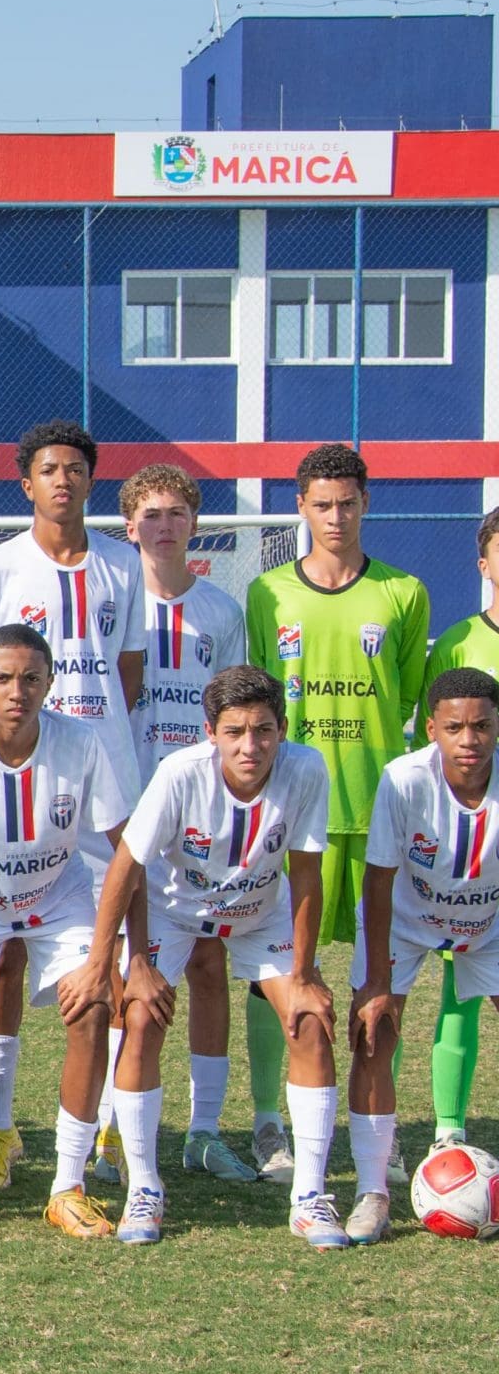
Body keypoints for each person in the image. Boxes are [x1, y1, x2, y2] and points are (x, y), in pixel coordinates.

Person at [86, 667, 334, 1245]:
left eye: (264, 731)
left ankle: (312, 1196)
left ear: (283, 729)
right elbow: (127, 864)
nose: (251, 747)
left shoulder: (306, 769)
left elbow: (307, 873)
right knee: (142, 1016)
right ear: (211, 732)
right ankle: (144, 1187)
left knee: (310, 1021)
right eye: (236, 732)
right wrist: (116, 961)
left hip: (260, 914)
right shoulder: (179, 774)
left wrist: (303, 972)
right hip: (176, 913)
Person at [0, 420, 145, 1193]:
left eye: (75, 468)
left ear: (91, 480)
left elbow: (127, 674)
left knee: (113, 955)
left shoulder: (122, 565)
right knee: (3, 947)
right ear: (26, 482)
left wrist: (85, 739)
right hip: (17, 787)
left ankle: (105, 1122)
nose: (62, 480)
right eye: (48, 469)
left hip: (100, 778)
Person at [245, 444, 430, 1183]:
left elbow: (409, 696)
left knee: (381, 975)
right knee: (281, 969)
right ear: (300, 507)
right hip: (294, 815)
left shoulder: (403, 592)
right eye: (321, 504)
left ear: (365, 504)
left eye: (347, 503)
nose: (334, 516)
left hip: (376, 811)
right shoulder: (268, 595)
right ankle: (268, 1122)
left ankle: (374, 1121)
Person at [0, 624, 135, 1237]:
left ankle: (68, 1185)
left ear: (50, 684)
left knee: (92, 1007)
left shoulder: (81, 743)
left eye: (32, 678)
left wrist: (114, 953)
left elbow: (128, 849)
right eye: (4, 678)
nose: (18, 691)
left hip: (59, 899)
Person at [105, 462, 254, 1186]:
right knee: (121, 968)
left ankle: (202, 1131)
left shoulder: (221, 613)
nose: (164, 526)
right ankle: (110, 1129)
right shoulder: (109, 599)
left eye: (177, 513)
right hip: (128, 808)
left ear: (193, 524)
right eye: (150, 515)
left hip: (204, 810)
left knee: (206, 961)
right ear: (129, 527)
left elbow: (239, 720)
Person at [348, 668, 499, 1247]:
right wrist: (379, 981)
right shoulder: (404, 780)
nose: (470, 740)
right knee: (374, 1033)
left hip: (488, 924)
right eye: (455, 726)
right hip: (407, 921)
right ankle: (373, 1190)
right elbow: (379, 878)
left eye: (482, 726)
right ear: (430, 728)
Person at [410, 506, 499, 1153]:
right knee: (459, 979)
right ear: (484, 565)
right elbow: (431, 740)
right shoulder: (459, 642)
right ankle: (447, 1129)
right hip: (471, 840)